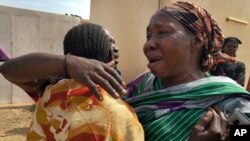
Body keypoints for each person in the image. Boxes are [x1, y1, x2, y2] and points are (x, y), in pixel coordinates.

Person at [1, 1, 249, 141]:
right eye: (148, 35)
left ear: (197, 40)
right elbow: (10, 70)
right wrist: (69, 63)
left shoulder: (230, 103)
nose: (149, 43)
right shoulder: (140, 86)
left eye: (162, 33)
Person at [26, 23, 144, 141]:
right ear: (108, 55)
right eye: (110, 43)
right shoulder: (120, 112)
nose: (116, 48)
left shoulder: (47, 95)